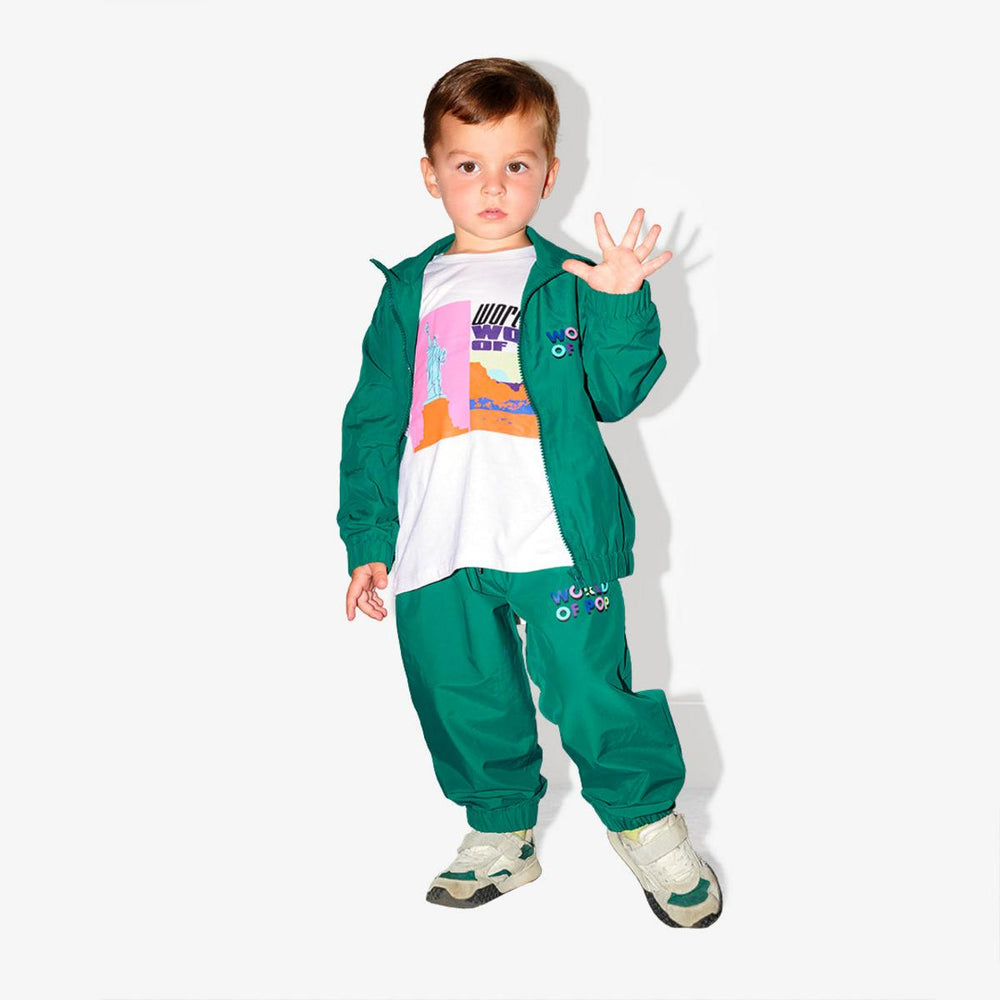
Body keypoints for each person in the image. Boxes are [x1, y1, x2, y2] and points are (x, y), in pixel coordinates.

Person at [337, 57, 722, 928]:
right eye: (467, 164)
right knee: (461, 693)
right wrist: (368, 538)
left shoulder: (570, 278)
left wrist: (621, 302)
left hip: (554, 537)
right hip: (437, 541)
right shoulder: (409, 290)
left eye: (516, 164)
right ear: (430, 174)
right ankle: (501, 830)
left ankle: (648, 824)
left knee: (592, 690)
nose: (492, 186)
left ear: (548, 174)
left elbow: (614, 394)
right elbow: (373, 421)